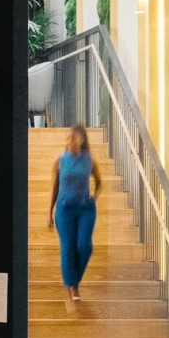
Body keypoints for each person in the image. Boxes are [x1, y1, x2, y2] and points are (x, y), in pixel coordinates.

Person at [54, 126, 103, 310]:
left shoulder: (89, 160)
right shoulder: (60, 161)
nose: (71, 140)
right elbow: (54, 188)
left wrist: (94, 197)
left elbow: (99, 182)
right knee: (68, 247)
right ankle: (69, 290)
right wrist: (49, 213)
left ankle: (74, 282)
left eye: (74, 137)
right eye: (68, 137)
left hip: (85, 210)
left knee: (85, 246)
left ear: (82, 140)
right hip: (65, 210)